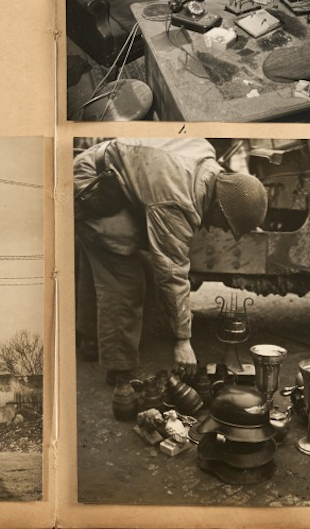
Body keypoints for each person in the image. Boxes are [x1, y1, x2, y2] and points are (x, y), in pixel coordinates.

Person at [73, 138, 268, 384]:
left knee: (106, 262)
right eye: (226, 225)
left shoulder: (206, 158)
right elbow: (172, 273)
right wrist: (182, 341)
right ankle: (119, 372)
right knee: (125, 277)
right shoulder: (177, 202)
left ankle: (90, 341)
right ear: (219, 206)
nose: (222, 230)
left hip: (107, 170)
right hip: (92, 185)